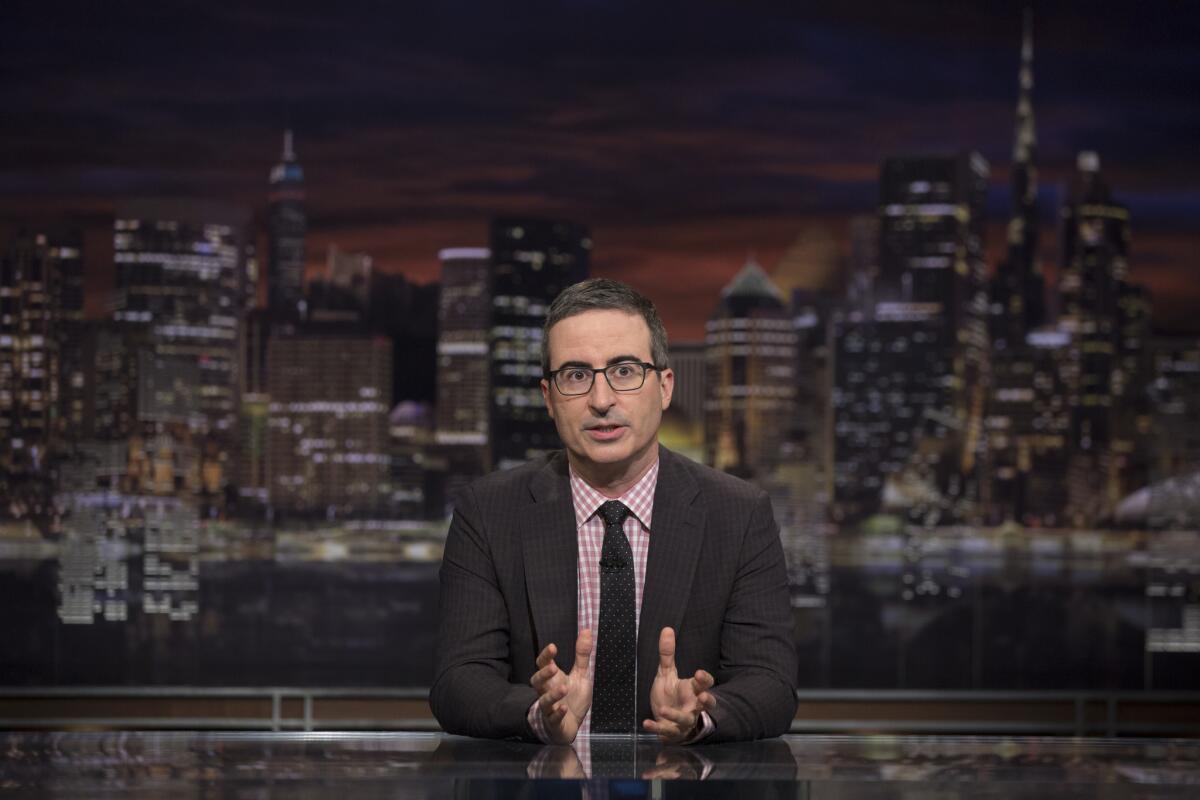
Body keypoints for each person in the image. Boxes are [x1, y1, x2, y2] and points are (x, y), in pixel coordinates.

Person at [431, 277, 797, 744]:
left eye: (625, 371)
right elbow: (457, 681)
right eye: (576, 375)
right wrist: (537, 712)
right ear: (548, 398)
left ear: (664, 386)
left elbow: (772, 683)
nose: (601, 401)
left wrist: (701, 715)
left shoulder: (739, 514)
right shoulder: (488, 512)